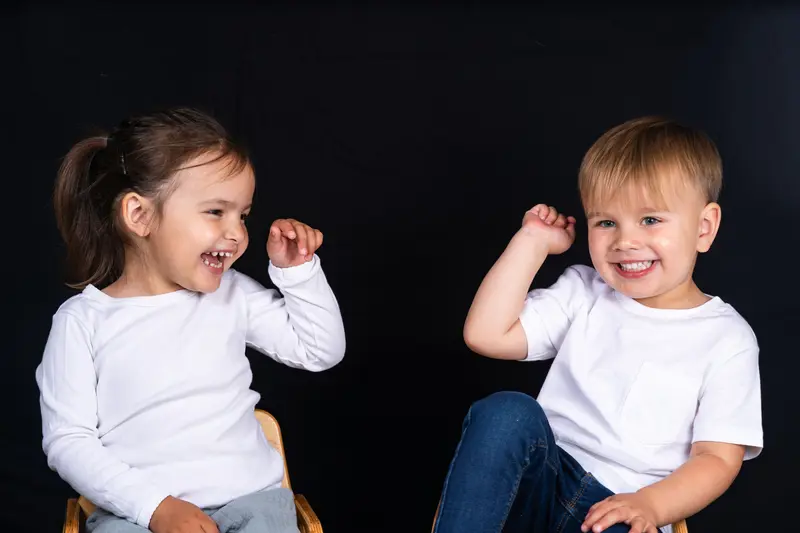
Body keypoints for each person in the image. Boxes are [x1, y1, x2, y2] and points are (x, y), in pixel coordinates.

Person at [433, 117, 762, 533]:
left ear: (703, 227)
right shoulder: (584, 292)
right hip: (543, 484)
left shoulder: (727, 338)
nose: (625, 241)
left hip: (624, 506)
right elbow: (485, 335)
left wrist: (651, 504)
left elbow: (717, 458)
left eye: (650, 220)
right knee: (507, 411)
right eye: (606, 222)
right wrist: (532, 243)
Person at [35, 108, 346, 533]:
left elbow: (319, 351)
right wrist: (156, 507)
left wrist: (299, 273)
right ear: (139, 216)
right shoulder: (83, 322)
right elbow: (68, 442)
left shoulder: (231, 293)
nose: (237, 233)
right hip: (137, 514)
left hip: (251, 501)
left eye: (243, 215)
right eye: (216, 212)